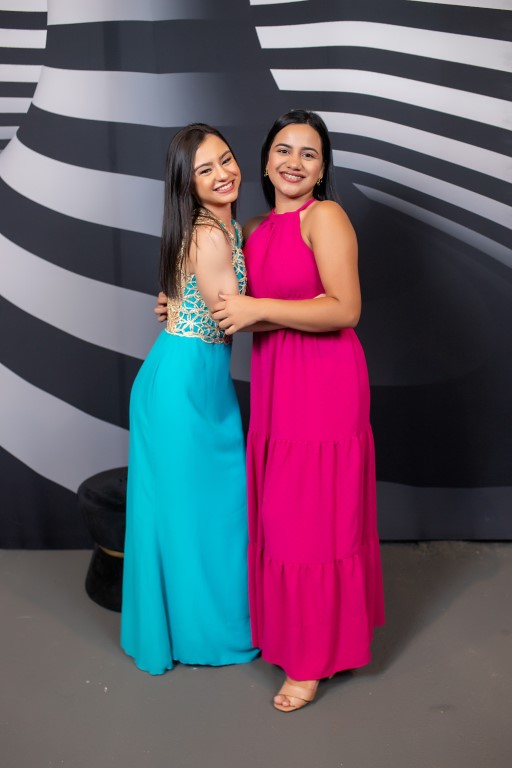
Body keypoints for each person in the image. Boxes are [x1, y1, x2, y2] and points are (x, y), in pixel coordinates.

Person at [211, 110, 385, 711]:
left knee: (313, 520)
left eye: (309, 153)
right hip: (277, 383)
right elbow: (233, 305)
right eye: (283, 150)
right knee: (285, 517)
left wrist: (259, 308)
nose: (294, 162)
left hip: (325, 383)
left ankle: (310, 661)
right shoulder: (253, 227)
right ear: (264, 161)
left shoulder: (325, 217)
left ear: (322, 168)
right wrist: (179, 304)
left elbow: (344, 309)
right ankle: (298, 635)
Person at [121, 123, 258, 674]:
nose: (223, 173)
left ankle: (190, 628)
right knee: (192, 514)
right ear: (188, 183)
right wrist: (315, 309)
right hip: (182, 389)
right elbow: (233, 316)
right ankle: (205, 636)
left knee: (208, 511)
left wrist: (174, 300)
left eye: (226, 159)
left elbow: (193, 298)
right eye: (206, 169)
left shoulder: (226, 226)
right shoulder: (208, 234)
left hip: (198, 381)